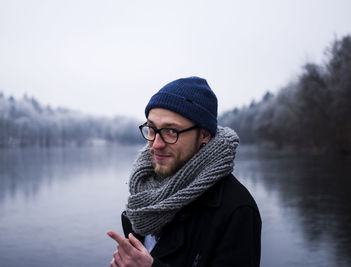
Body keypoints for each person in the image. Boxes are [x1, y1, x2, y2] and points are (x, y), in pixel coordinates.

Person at [107, 76, 261, 267]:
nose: (156, 144)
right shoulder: (145, 193)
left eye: (172, 131)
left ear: (204, 135)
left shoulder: (236, 209)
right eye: (152, 129)